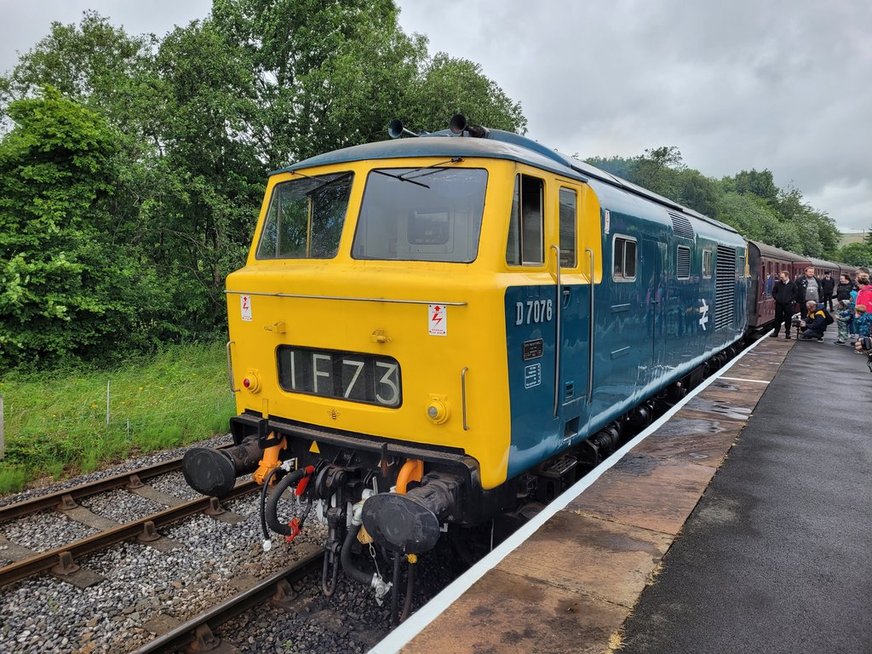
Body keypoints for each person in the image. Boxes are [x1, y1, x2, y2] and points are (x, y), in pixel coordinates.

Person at [770, 270, 796, 339]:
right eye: (780, 277)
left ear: (787, 276)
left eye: (782, 277)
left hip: (788, 304)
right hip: (779, 304)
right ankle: (776, 332)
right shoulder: (778, 284)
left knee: (788, 319)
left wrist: (790, 300)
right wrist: (777, 298)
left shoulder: (792, 284)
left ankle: (787, 333)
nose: (781, 279)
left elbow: (795, 293)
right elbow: (774, 292)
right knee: (777, 318)